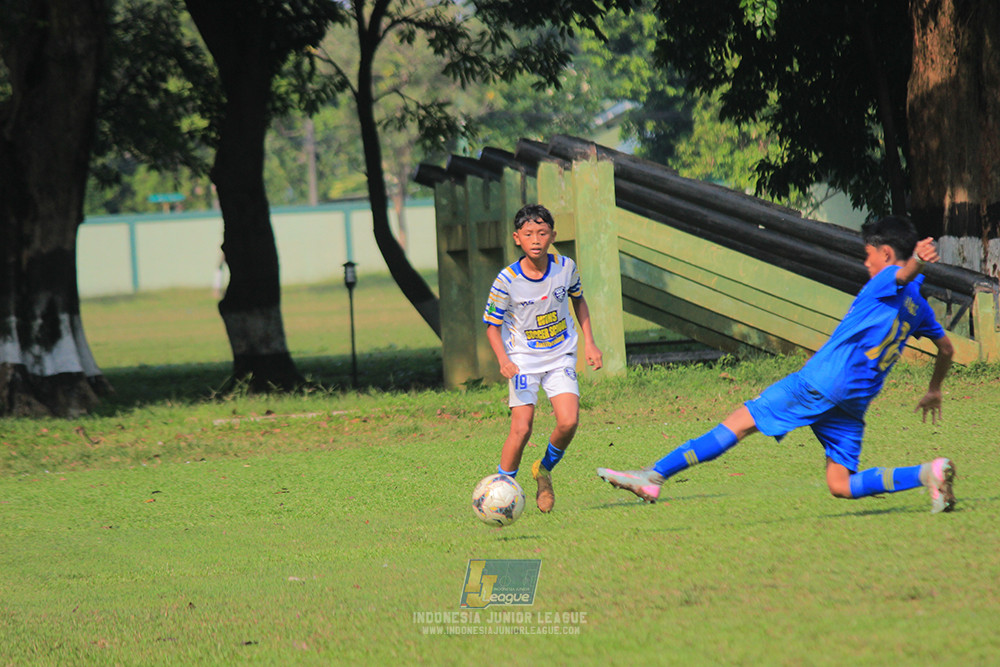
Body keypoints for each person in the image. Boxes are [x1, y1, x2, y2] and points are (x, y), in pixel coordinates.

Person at [598, 215, 957, 514]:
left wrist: (918, 262)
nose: (866, 263)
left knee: (737, 424)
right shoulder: (919, 307)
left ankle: (654, 477)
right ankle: (929, 473)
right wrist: (934, 388)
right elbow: (946, 348)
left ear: (886, 253)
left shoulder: (885, 280)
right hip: (853, 402)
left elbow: (903, 274)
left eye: (868, 255)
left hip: (819, 384)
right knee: (840, 485)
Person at [483, 203, 603, 513]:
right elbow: (492, 328)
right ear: (517, 238)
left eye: (542, 232)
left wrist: (590, 343)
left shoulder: (566, 267)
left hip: (560, 354)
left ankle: (544, 470)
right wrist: (503, 360)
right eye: (528, 234)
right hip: (522, 359)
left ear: (552, 235)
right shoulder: (506, 280)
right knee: (522, 429)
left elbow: (579, 301)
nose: (536, 239)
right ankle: (501, 493)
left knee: (569, 421)